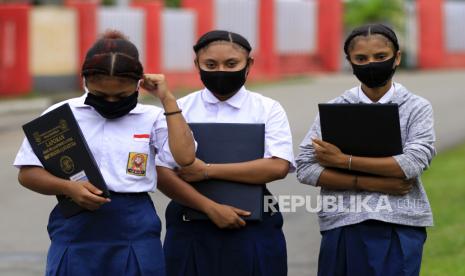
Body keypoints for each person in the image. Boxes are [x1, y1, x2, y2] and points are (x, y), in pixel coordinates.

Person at [13, 30, 195, 275]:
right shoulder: (61, 116)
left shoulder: (152, 118)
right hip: (76, 224)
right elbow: (27, 173)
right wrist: (68, 188)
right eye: (99, 94)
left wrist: (168, 100)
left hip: (135, 227)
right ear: (84, 81)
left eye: (121, 95)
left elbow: (185, 157)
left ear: (139, 83)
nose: (110, 101)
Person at [296, 23, 436, 276]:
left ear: (397, 57)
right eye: (361, 58)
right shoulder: (336, 108)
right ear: (350, 61)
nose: (371, 64)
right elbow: (305, 167)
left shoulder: (416, 107)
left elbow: (411, 164)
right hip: (342, 223)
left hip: (399, 224)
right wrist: (373, 183)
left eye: (380, 57)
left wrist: (342, 160)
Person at [155, 30, 295, 276]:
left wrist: (206, 171)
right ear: (196, 64)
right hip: (190, 222)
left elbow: (277, 166)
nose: (221, 70)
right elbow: (163, 173)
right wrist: (210, 208)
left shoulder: (267, 108)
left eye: (231, 64)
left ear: (248, 64)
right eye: (211, 64)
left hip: (255, 220)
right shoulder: (179, 110)